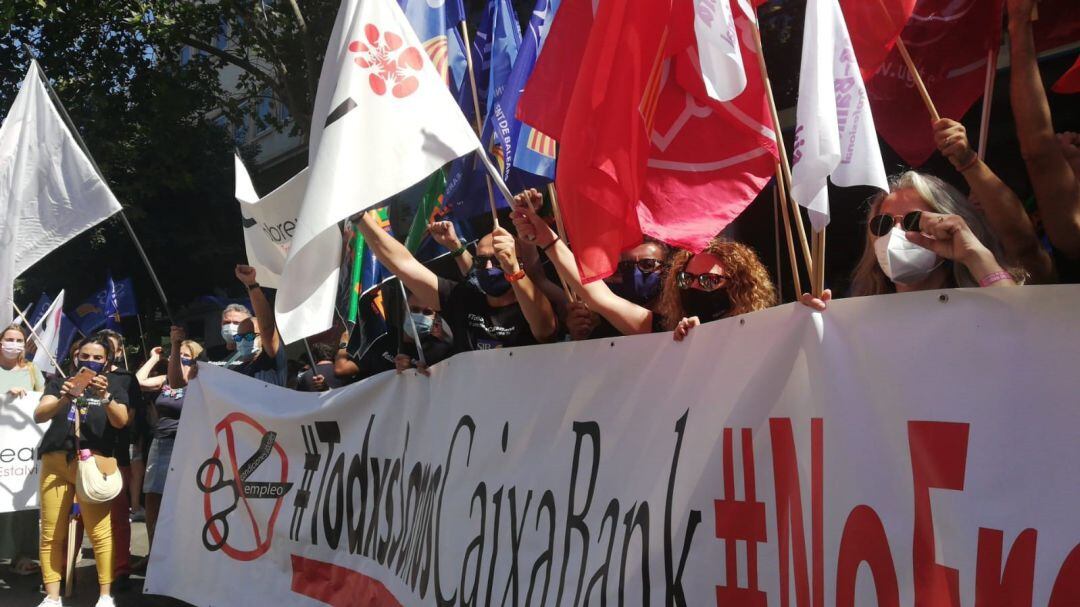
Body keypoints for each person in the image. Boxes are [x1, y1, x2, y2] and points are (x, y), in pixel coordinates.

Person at [510, 189, 776, 341]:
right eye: (686, 279)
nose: (694, 286)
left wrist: (815, 313)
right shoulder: (664, 330)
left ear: (739, 286)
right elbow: (597, 295)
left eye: (708, 281)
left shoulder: (767, 331)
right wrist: (546, 238)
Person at [802, 171, 1021, 310]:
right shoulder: (861, 321)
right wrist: (821, 325)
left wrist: (975, 255)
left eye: (914, 220)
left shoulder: (983, 306)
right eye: (883, 224)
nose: (895, 232)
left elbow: (1023, 323)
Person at [355, 210, 558, 351]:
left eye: (498, 260)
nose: (487, 267)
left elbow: (545, 329)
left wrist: (512, 269)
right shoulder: (463, 298)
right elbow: (403, 263)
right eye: (481, 260)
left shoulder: (531, 305)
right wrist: (360, 218)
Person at [34, 335, 131, 607]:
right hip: (56, 461)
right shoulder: (58, 382)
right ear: (76, 357)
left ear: (108, 360)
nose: (90, 361)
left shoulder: (114, 385)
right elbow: (40, 414)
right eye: (85, 356)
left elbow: (121, 421)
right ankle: (52, 597)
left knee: (99, 532)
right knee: (52, 533)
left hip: (93, 464)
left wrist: (105, 396)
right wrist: (65, 396)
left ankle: (104, 595)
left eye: (98, 357)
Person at [1007, 0, 1080, 282]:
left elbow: (1039, 149)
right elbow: (1039, 150)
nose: (1070, 136)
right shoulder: (1072, 236)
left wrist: (1019, 25)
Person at [932, 118, 1055, 283]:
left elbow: (1021, 242)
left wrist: (967, 161)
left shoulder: (1033, 267)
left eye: (992, 191)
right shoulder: (945, 269)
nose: (978, 196)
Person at [134, 329, 201, 554]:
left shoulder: (201, 381)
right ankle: (154, 553)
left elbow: (181, 381)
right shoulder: (165, 381)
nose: (179, 360)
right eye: (176, 356)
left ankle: (180, 554)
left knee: (180, 501)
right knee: (152, 498)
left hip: (186, 445)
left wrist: (176, 345)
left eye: (185, 357)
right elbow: (137, 381)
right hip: (160, 443)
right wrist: (154, 359)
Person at [96, 329, 141, 590]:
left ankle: (121, 568)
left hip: (117, 454)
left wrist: (108, 404)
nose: (104, 352)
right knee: (78, 516)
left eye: (109, 348)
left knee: (118, 516)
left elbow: (129, 418)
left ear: (119, 351)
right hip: (86, 454)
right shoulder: (80, 378)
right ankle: (68, 567)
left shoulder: (126, 379)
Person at [334, 288, 456, 381]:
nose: (420, 316)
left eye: (427, 312)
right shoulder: (382, 338)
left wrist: (412, 374)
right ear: (404, 309)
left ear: (435, 316)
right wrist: (344, 344)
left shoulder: (441, 351)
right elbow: (342, 369)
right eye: (414, 310)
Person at [0, 325, 45, 577]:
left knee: (23, 501)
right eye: (9, 339)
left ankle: (22, 554)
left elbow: (42, 400)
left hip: (22, 448)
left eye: (18, 340)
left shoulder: (31, 369)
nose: (14, 343)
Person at [564, 239, 670, 341]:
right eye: (626, 266)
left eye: (648, 264)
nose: (634, 273)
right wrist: (579, 337)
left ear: (666, 271)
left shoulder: (677, 322)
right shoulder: (602, 325)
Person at [217, 265, 287, 385]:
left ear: (262, 337)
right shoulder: (235, 372)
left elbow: (267, 327)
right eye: (239, 338)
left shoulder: (270, 360)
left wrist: (251, 284)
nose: (243, 341)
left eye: (249, 336)